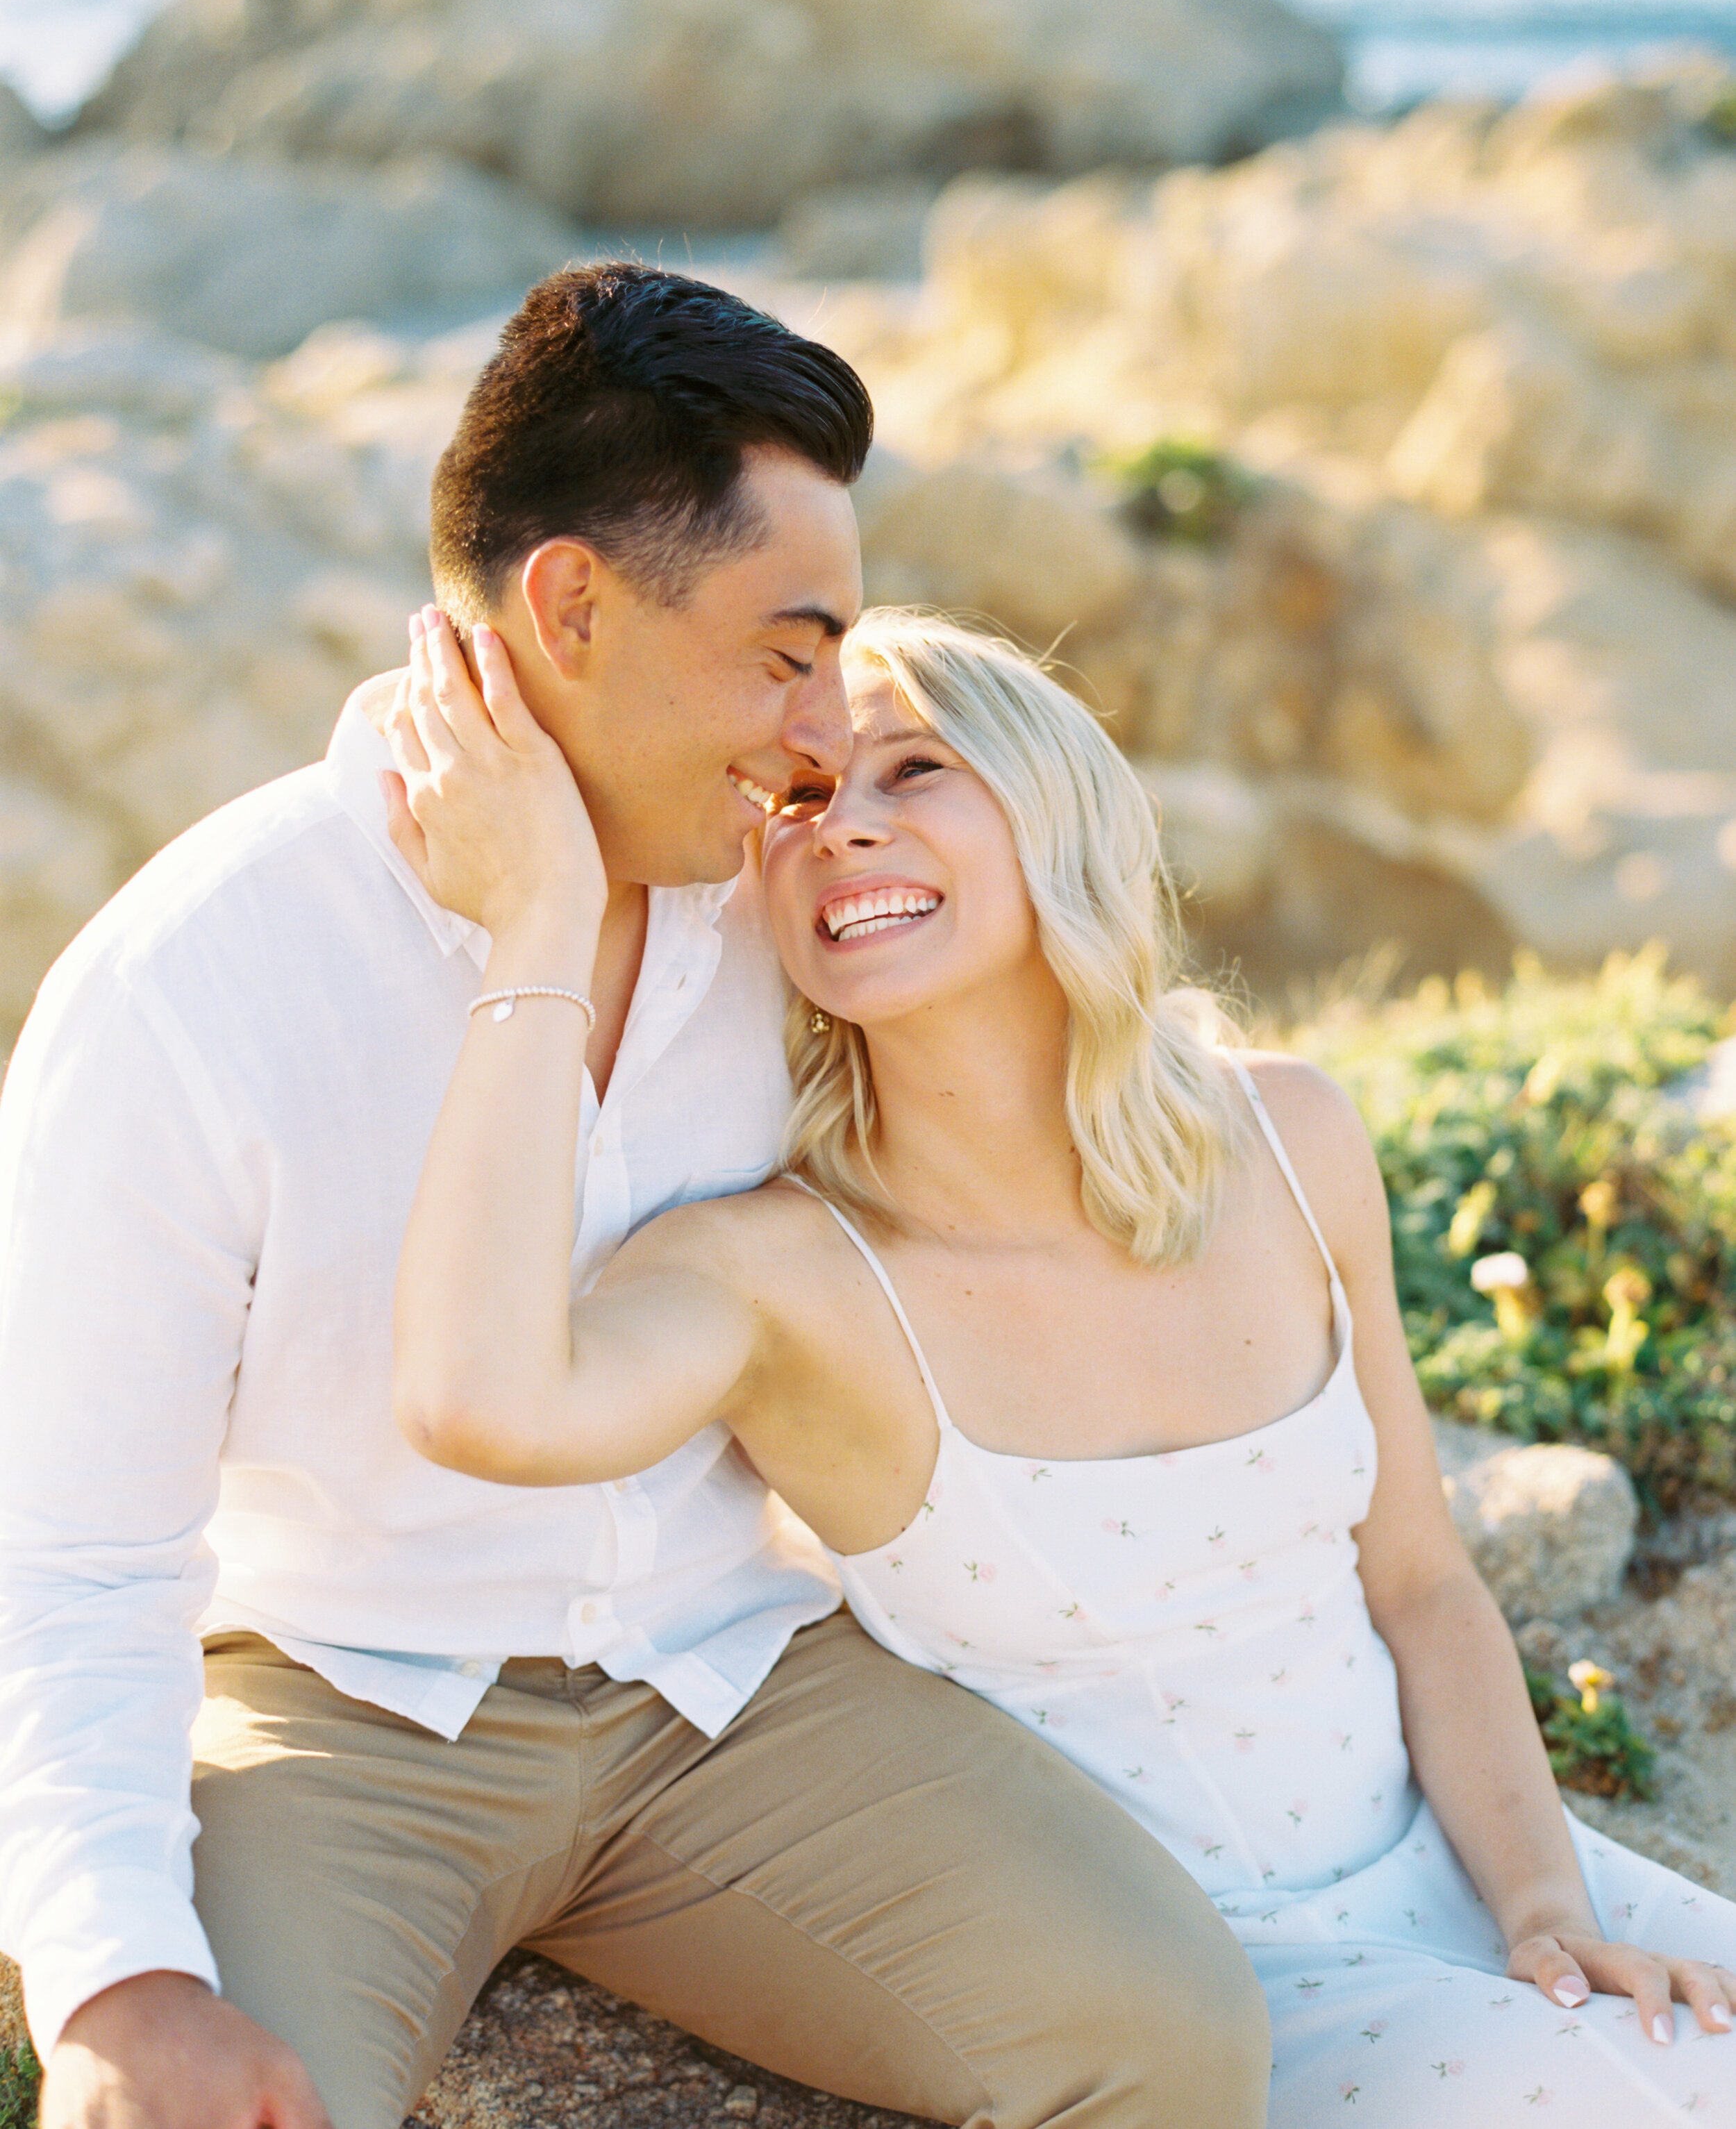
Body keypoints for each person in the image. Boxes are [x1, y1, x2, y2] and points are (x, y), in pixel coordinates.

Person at [0, 264, 1271, 2129]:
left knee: (1165, 2031)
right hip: (341, 1712)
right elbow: (68, 1551)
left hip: (734, 1684)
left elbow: (1015, 1130)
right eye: (783, 650)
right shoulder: (192, 978)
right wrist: (110, 1975)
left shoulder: (775, 910)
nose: (827, 731)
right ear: (571, 603)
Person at [387, 599, 1736, 2128]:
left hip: (1484, 1862)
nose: (842, 831)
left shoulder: (1284, 1135)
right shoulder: (775, 1276)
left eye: (911, 770)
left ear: (1053, 805)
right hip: (1197, 1994)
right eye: (800, 800)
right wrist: (539, 923)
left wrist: (1544, 1906)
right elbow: (478, 1397)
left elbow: (1418, 1580)